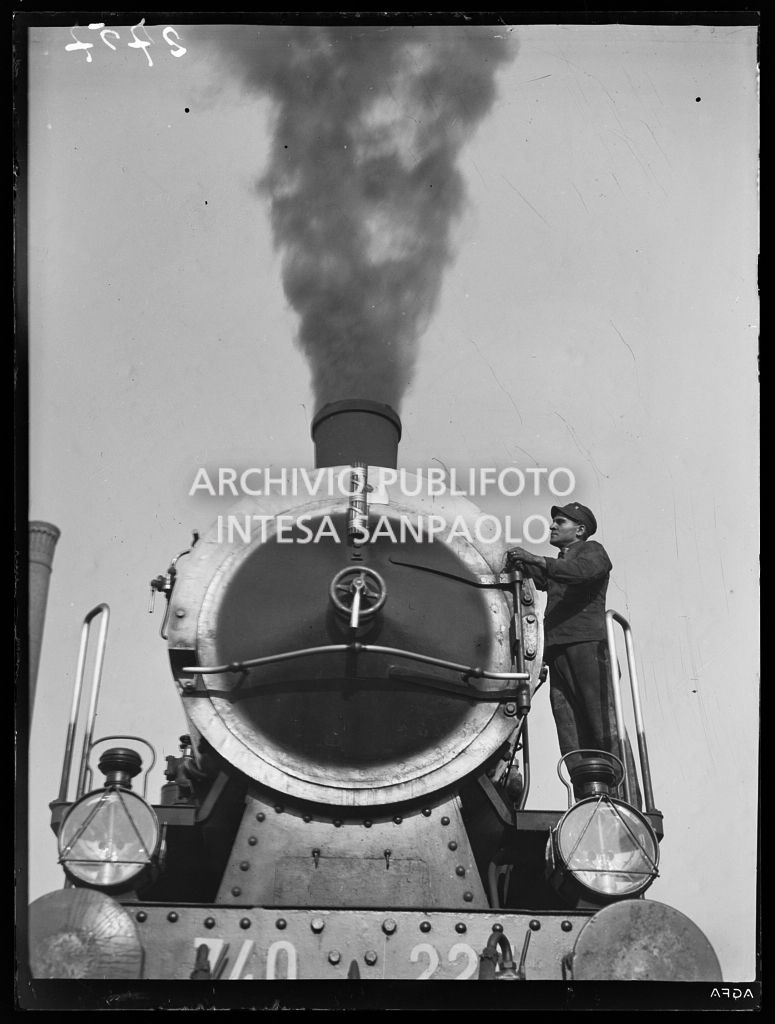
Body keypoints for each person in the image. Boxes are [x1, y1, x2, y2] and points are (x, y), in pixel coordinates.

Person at [504, 502, 642, 806]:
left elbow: (581, 573)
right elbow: (542, 577)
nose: (552, 526)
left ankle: (629, 801)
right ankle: (587, 802)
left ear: (579, 530)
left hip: (588, 647)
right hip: (558, 653)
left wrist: (536, 559)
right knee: (570, 732)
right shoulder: (560, 564)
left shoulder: (592, 551)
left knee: (604, 727)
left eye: (560, 521)